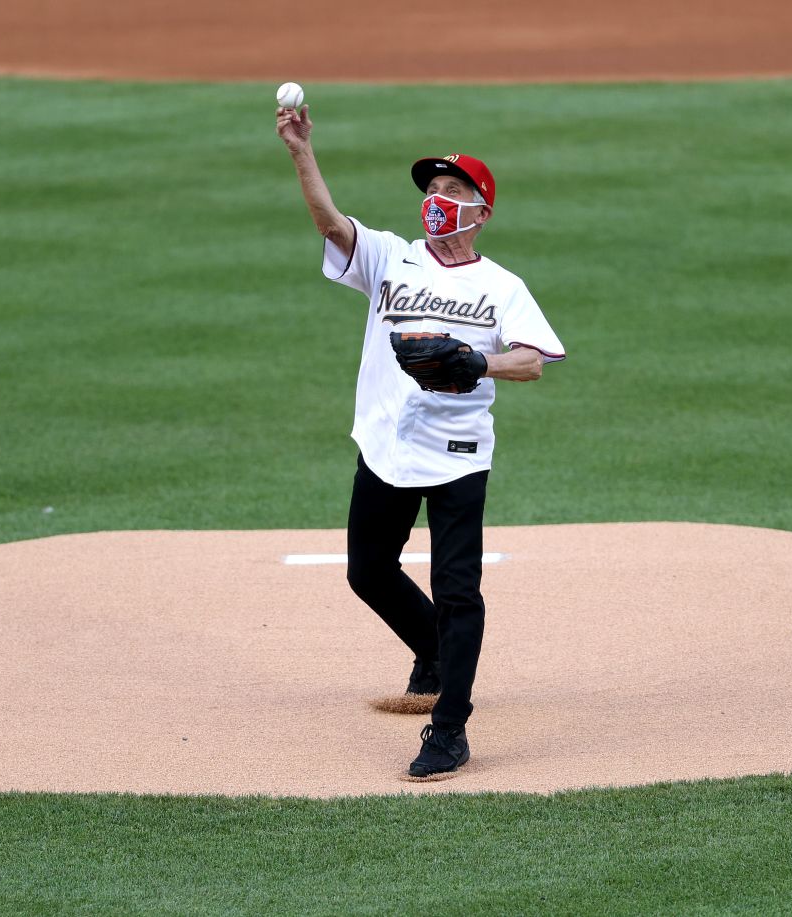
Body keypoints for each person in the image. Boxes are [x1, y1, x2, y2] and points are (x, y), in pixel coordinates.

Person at [275, 102, 566, 779]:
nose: (436, 200)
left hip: (459, 455)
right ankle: (433, 649)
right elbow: (327, 220)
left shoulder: (502, 286)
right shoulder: (389, 259)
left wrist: (477, 362)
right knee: (367, 570)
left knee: (458, 588)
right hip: (385, 444)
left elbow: (533, 360)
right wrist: (300, 150)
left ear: (481, 211)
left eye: (453, 191)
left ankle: (451, 727)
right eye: (431, 191)